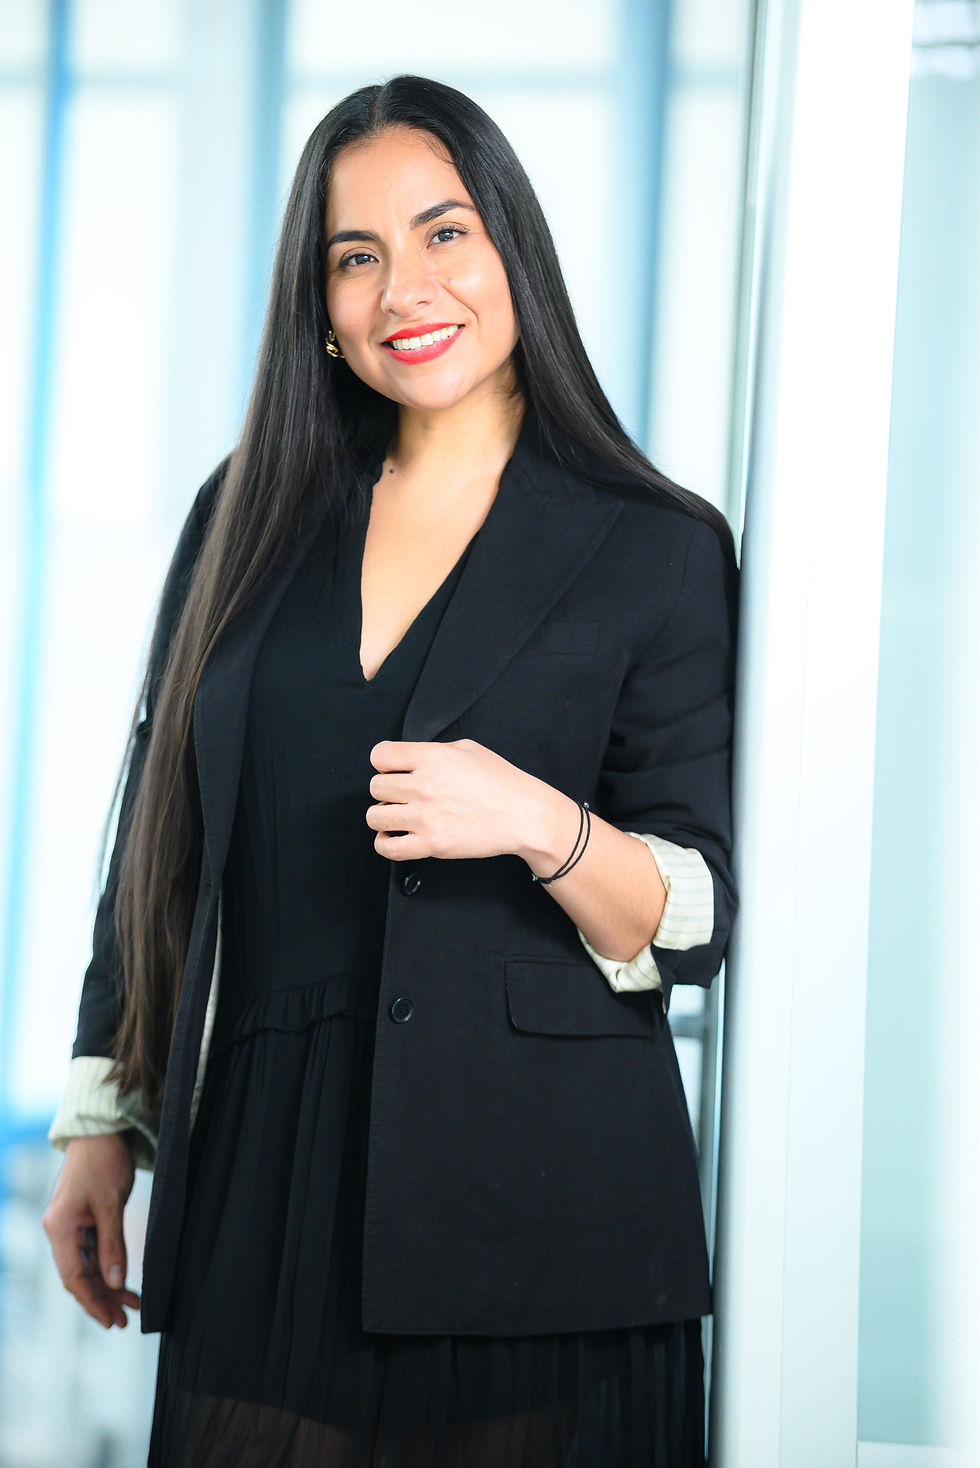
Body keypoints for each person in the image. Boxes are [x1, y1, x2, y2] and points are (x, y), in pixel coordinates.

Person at [42, 74, 738, 1468]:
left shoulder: (656, 543)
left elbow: (699, 914)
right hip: (266, 1172)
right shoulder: (243, 515)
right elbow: (162, 838)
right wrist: (103, 1119)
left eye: (444, 234)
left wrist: (538, 822)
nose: (403, 289)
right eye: (354, 256)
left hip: (545, 1199)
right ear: (318, 304)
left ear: (514, 248)